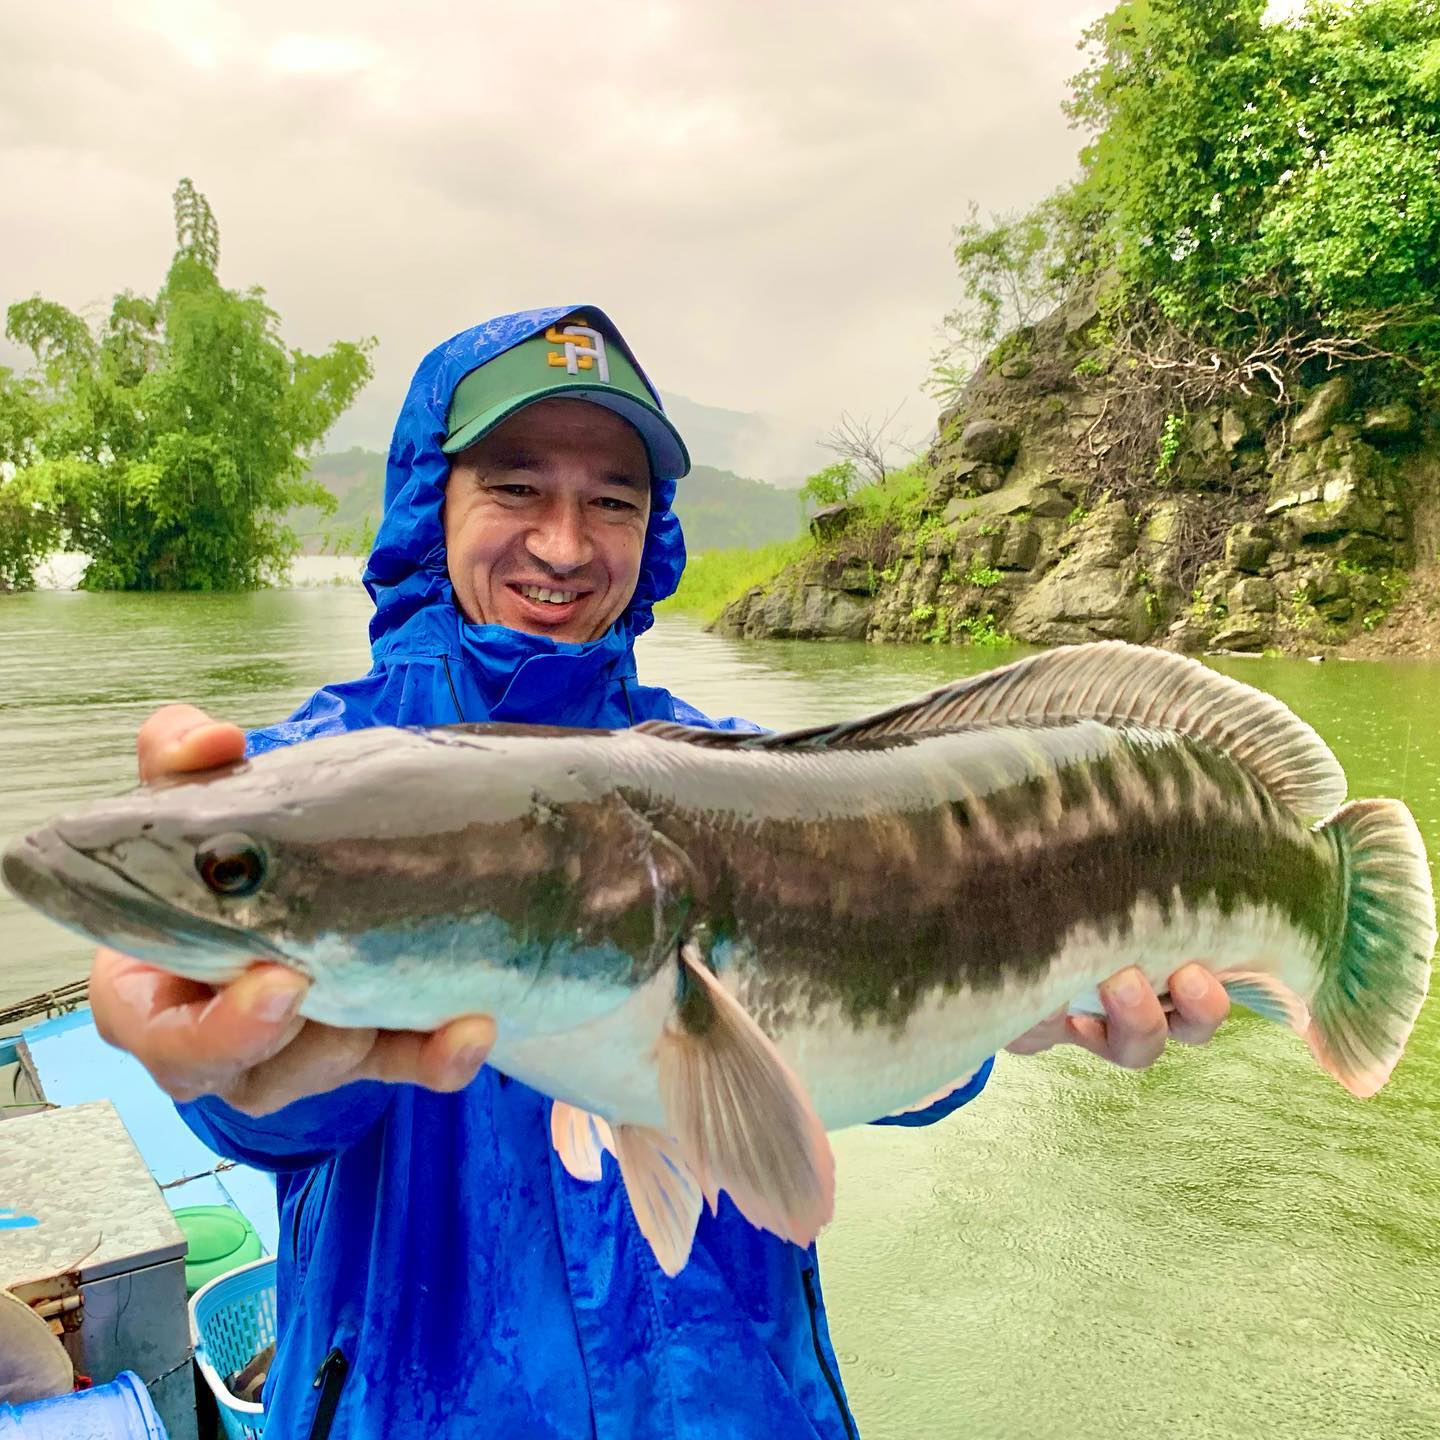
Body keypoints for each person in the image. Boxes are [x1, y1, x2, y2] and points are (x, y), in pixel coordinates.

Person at [89, 307, 1230, 1438]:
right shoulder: (303, 781)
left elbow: (864, 1067)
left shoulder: (752, 773)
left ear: (655, 532)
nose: (566, 544)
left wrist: (1011, 1012)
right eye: (517, 486)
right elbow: (255, 1116)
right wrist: (238, 1062)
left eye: (613, 500)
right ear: (429, 506)